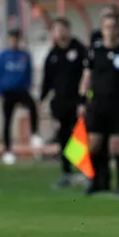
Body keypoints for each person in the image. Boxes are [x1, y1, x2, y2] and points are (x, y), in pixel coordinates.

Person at [80, 12, 119, 195]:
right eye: (107, 27)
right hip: (97, 105)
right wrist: (82, 100)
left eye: (113, 27)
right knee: (94, 143)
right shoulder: (94, 51)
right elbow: (86, 77)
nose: (110, 31)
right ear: (102, 30)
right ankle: (97, 181)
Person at [40, 18, 88, 187]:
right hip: (60, 102)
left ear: (68, 30)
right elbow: (47, 80)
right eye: (56, 30)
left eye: (62, 29)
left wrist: (84, 99)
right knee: (63, 136)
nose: (59, 33)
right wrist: (42, 99)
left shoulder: (79, 49)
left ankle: (84, 170)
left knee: (80, 135)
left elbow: (87, 74)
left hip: (77, 101)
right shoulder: (52, 54)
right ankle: (66, 171)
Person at [0, 28, 41, 165]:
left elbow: (29, 72)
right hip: (8, 91)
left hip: (21, 90)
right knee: (7, 121)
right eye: (12, 39)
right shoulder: (3, 56)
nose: (14, 41)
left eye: (16, 39)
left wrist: (29, 85)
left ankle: (34, 133)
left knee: (32, 106)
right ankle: (7, 150)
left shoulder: (24, 55)